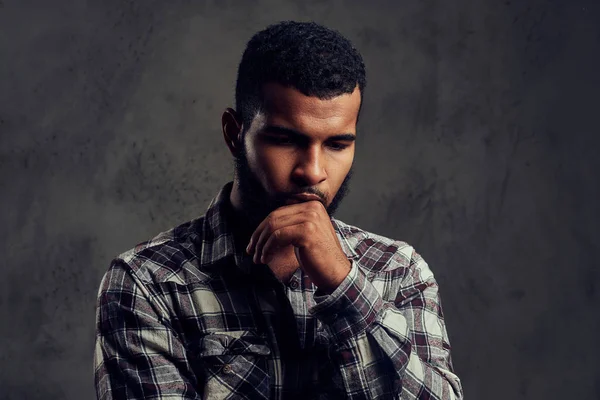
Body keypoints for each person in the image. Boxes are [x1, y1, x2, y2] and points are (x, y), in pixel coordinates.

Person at [94, 21, 463, 400]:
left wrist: (342, 284)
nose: (313, 172)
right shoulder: (149, 283)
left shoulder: (397, 271)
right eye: (285, 140)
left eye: (337, 144)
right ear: (234, 133)